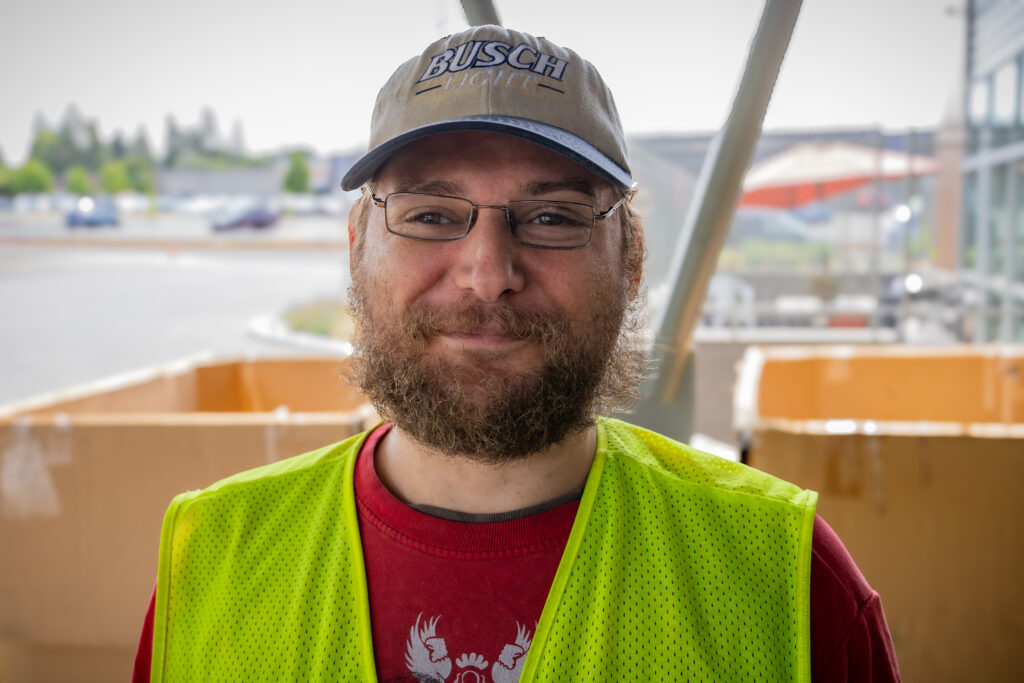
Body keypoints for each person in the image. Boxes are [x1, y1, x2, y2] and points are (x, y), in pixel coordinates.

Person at [134, 25, 900, 682]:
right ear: (357, 249)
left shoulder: (784, 580)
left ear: (631, 260)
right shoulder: (213, 561)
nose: (489, 274)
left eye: (553, 216)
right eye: (431, 214)